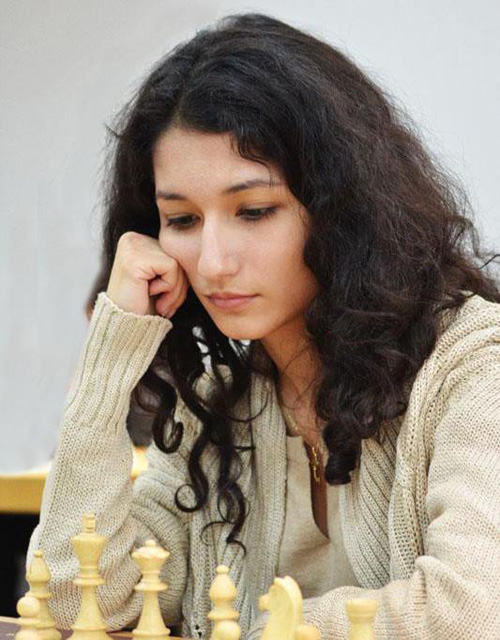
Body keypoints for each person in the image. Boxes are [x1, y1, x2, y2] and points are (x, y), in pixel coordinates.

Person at [27, 12, 500, 640]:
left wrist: (265, 628)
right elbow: (75, 599)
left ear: (341, 209)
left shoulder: (476, 366)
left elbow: (471, 614)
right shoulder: (217, 404)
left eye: (253, 211)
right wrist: (111, 353)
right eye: (183, 220)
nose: (213, 263)